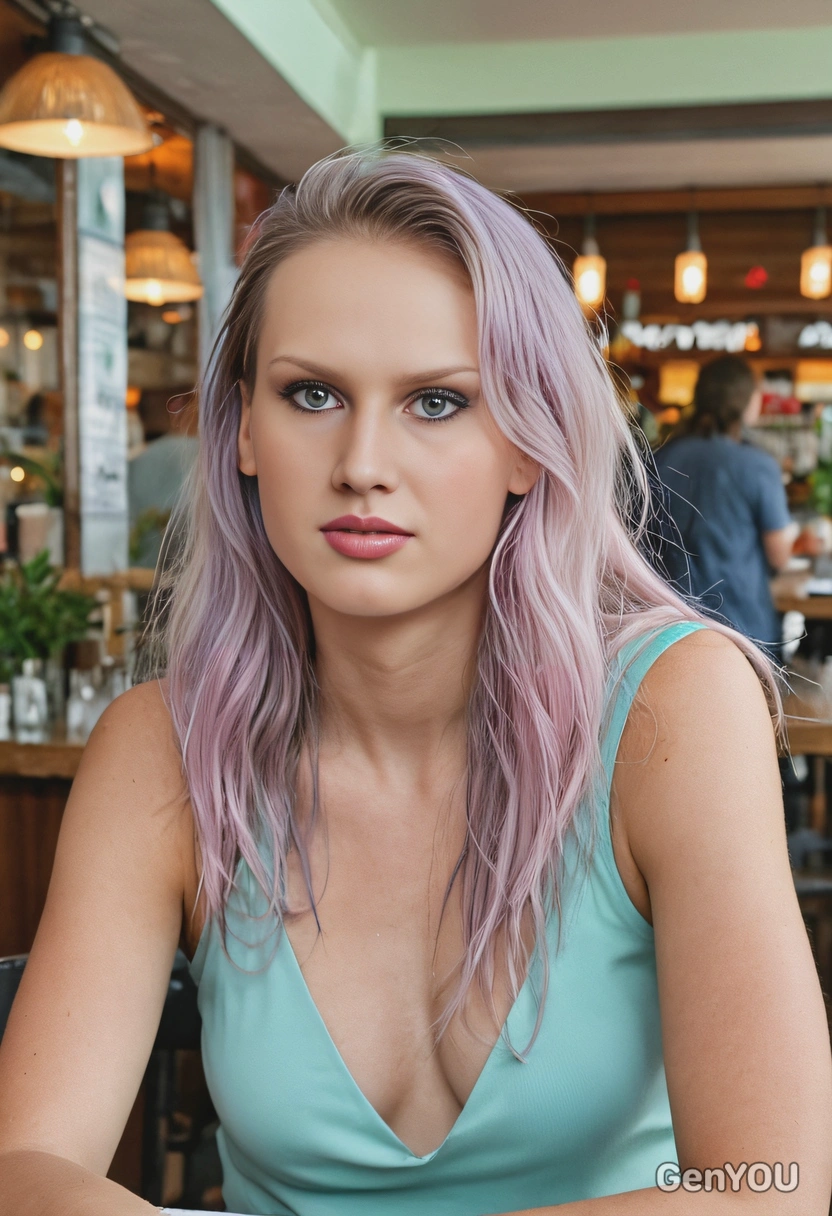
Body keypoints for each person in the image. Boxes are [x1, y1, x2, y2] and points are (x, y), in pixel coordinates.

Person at [0, 149, 829, 1216]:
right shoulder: (159, 749)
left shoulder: (674, 712)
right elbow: (24, 1165)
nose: (361, 462)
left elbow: (766, 1190)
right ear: (243, 428)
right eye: (311, 394)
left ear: (527, 444)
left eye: (436, 402)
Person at [652, 355, 812, 663]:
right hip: (742, 625)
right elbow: (779, 554)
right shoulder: (757, 465)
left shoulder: (661, 457)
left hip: (668, 624)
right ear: (747, 401)